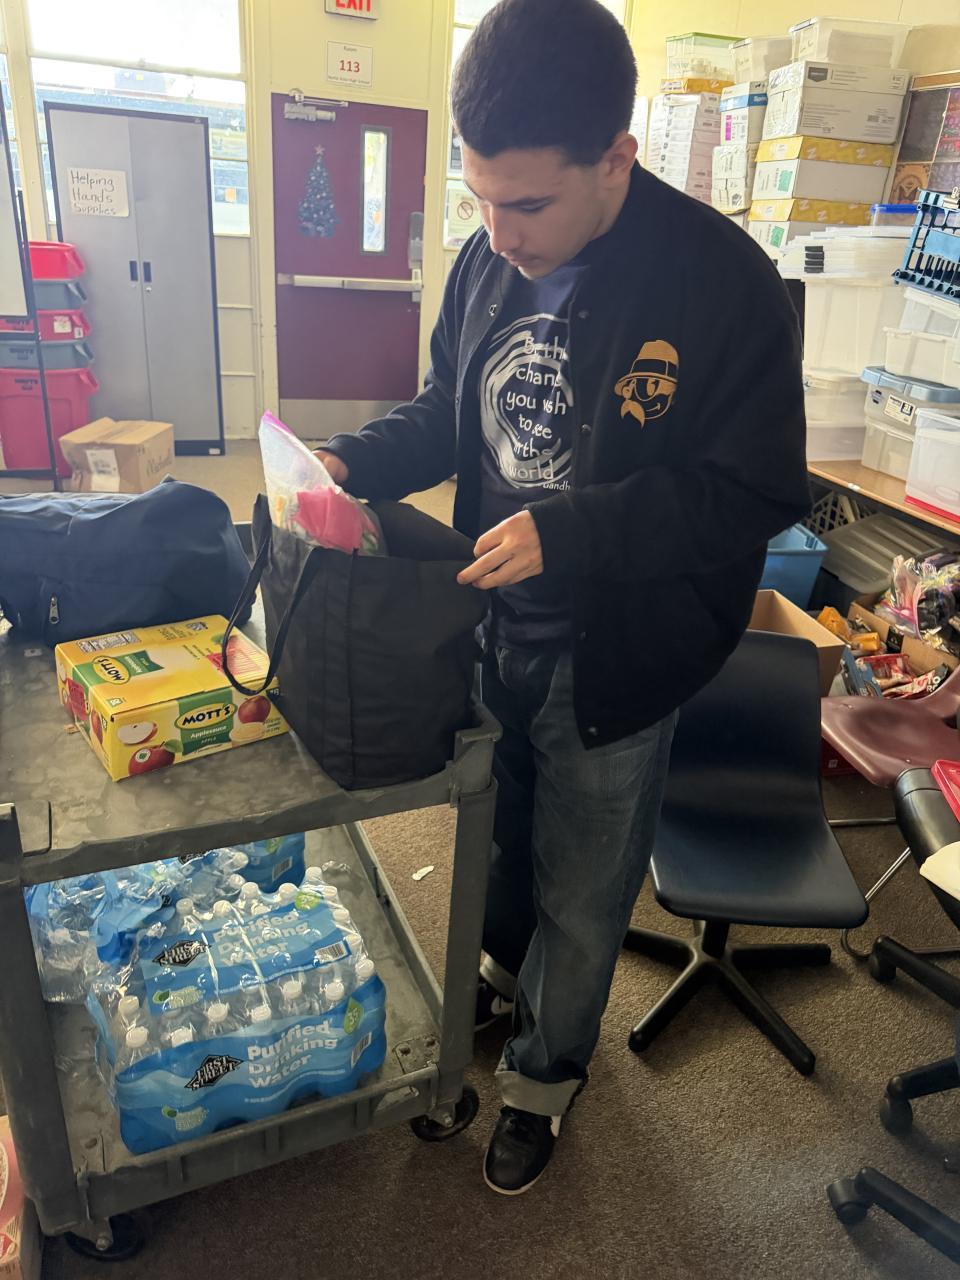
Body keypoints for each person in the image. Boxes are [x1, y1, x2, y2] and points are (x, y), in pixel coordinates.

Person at [316, 0, 809, 1196]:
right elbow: (446, 410)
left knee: (586, 888)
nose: (500, 232)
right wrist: (350, 461)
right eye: (480, 197)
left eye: (528, 204)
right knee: (501, 849)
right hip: (490, 627)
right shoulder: (486, 259)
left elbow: (752, 492)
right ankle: (503, 984)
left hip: (620, 657)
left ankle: (545, 1080)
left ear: (616, 158)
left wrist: (572, 532)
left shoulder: (722, 282)